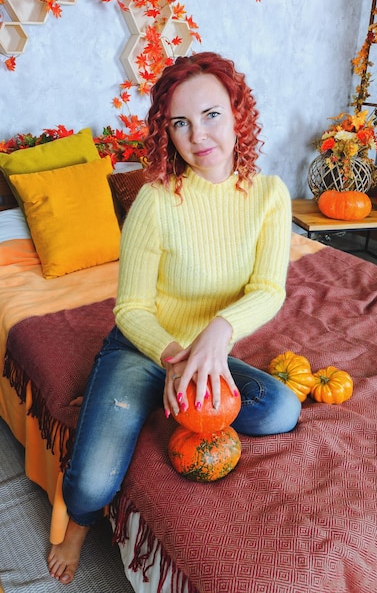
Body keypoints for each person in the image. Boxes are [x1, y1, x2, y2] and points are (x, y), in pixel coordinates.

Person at [47, 51, 301, 584]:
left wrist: (218, 334)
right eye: (179, 123)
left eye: (211, 115)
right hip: (147, 348)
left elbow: (268, 289)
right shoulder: (155, 201)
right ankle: (77, 525)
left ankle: (170, 401)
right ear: (168, 132)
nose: (198, 136)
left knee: (280, 409)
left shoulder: (270, 197)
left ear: (238, 114)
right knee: (91, 484)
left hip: (207, 351)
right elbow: (131, 308)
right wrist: (175, 358)